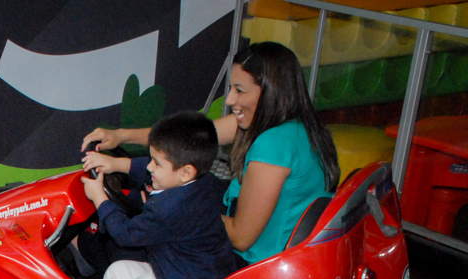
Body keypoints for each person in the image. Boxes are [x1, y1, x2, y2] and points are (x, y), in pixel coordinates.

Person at [81, 41, 340, 265]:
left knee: (109, 247)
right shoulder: (293, 126)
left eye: (240, 90)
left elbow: (240, 237)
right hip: (274, 254)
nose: (229, 100)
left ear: (270, 92)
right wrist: (121, 135)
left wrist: (176, 213)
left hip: (252, 265)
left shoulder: (273, 145)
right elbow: (187, 139)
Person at [79, 111, 241, 279]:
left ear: (185, 172)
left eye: (156, 163)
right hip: (194, 275)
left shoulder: (168, 207)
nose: (149, 166)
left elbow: (125, 234)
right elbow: (157, 174)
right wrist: (116, 164)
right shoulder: (206, 182)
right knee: (116, 271)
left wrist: (99, 199)